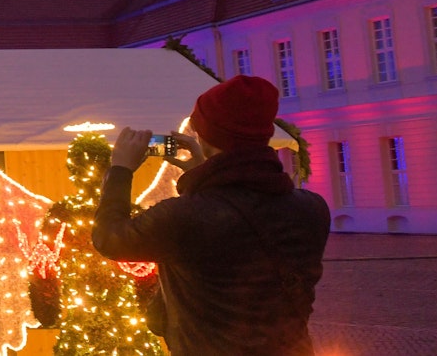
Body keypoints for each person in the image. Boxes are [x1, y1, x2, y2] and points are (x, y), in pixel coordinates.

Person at [93, 76, 332, 355]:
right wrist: (201, 173)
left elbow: (109, 238)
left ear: (206, 137)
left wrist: (121, 169)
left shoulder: (182, 216)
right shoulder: (312, 209)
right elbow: (238, 213)